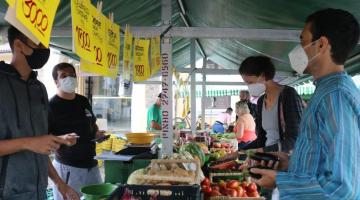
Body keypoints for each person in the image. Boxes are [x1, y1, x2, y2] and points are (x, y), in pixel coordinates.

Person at [251, 9, 360, 199]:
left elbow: (342, 187)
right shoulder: (326, 91)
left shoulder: (335, 96)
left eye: (302, 42)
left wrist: (280, 181)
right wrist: (292, 163)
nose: (298, 49)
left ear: (321, 44)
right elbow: (325, 158)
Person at [0, 26, 78, 199]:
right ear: (19, 45)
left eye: (45, 43)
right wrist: (27, 142)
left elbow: (39, 145)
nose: (44, 49)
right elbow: (33, 142)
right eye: (38, 43)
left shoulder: (39, 88)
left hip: (38, 192)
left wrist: (60, 184)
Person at [48, 63, 105, 199]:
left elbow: (92, 123)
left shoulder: (83, 101)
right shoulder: (51, 106)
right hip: (68, 168)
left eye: (72, 75)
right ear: (56, 81)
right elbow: (45, 139)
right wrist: (62, 139)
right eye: (64, 76)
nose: (70, 78)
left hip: (92, 165)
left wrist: (96, 134)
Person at [238, 56, 304, 153]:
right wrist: (240, 151)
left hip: (284, 160)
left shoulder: (288, 95)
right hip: (268, 159)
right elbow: (261, 140)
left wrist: (263, 150)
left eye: (250, 82)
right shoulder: (261, 101)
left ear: (263, 75)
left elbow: (296, 139)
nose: (249, 86)